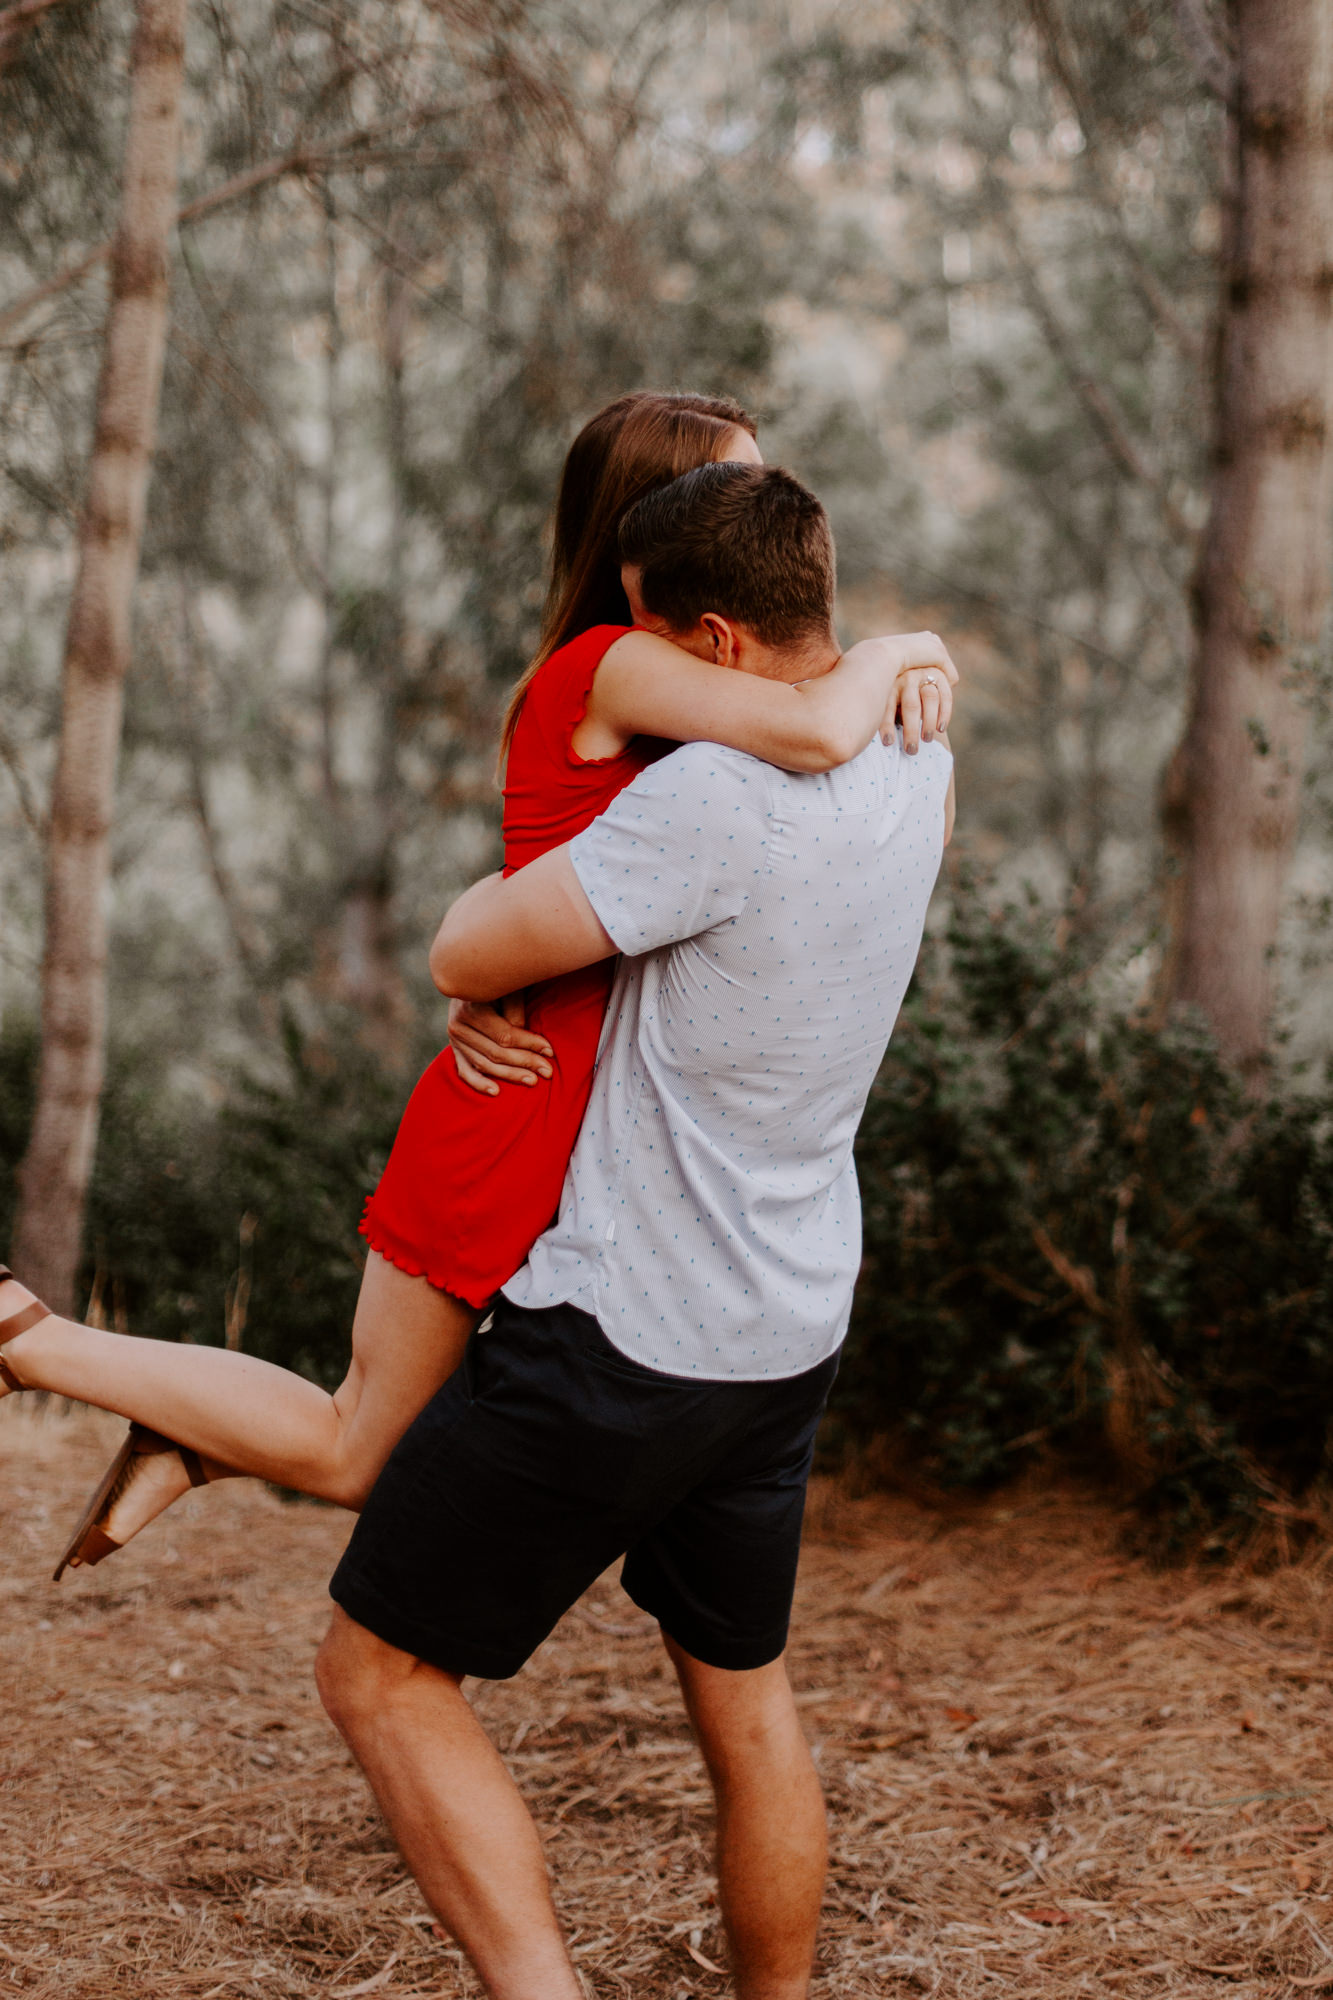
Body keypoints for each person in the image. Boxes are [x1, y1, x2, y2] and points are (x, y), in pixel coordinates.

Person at [0, 390, 955, 1578]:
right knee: (362, 1450)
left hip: (567, 1097)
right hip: (525, 1100)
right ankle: (28, 1337)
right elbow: (818, 728)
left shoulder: (658, 679)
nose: (746, 511)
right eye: (722, 488)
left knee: (388, 1437)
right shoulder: (615, 664)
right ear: (644, 533)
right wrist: (906, 649)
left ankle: (187, 1437)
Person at [315, 461, 955, 2000]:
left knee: (379, 1671)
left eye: (664, 644)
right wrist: (894, 653)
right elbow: (877, 676)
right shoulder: (915, 749)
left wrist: (478, 979)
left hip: (625, 1331)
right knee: (746, 1708)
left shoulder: (707, 802)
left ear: (716, 645)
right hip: (787, 1323)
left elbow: (471, 942)